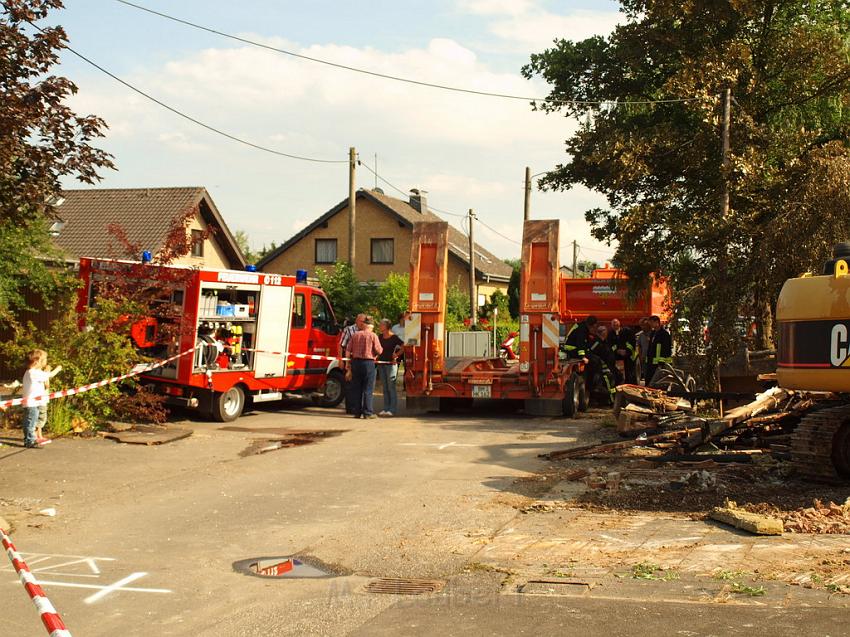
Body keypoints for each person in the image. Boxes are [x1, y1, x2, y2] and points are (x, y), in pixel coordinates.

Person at [21, 350, 62, 448]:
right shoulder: (33, 373)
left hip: (34, 403)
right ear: (37, 361)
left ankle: (30, 439)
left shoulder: (33, 372)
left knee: (32, 421)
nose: (45, 361)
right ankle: (29, 440)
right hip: (32, 404)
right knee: (31, 422)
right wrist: (58, 369)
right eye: (44, 360)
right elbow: (49, 375)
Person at [345, 316, 383, 418]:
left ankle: (357, 412)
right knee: (368, 389)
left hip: (356, 363)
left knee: (357, 388)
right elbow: (379, 350)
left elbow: (348, 350)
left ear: (364, 325)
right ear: (371, 326)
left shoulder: (355, 335)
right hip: (368, 363)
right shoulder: (373, 335)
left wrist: (348, 364)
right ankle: (367, 412)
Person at [339, 313, 366, 414]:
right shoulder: (349, 330)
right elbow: (341, 345)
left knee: (359, 385)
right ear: (357, 321)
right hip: (349, 360)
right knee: (349, 384)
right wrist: (341, 360)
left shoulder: (366, 331)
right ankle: (350, 408)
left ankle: (358, 407)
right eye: (361, 321)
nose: (363, 324)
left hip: (361, 361)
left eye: (364, 322)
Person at [377, 319, 403, 416]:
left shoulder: (394, 337)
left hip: (391, 365)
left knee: (391, 386)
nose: (380, 326)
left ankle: (392, 409)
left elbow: (403, 345)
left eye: (381, 324)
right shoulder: (379, 337)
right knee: (384, 387)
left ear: (387, 326)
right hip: (381, 364)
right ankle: (385, 408)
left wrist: (396, 355)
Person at [645, 315, 673, 386]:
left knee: (657, 383)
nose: (650, 324)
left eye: (651, 322)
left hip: (659, 364)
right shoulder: (653, 333)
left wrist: (661, 363)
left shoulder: (664, 334)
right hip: (651, 362)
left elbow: (666, 350)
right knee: (649, 380)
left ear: (657, 322)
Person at [609, 318, 638, 385]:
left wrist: (626, 351)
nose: (615, 326)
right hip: (617, 358)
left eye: (616, 324)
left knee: (630, 375)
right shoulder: (610, 334)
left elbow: (631, 343)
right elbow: (610, 345)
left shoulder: (627, 331)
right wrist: (617, 351)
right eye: (613, 325)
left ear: (619, 324)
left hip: (629, 357)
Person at [636, 317, 652, 384]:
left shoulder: (653, 334)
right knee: (646, 375)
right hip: (644, 358)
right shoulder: (641, 335)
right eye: (641, 325)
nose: (642, 327)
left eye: (644, 325)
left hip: (652, 359)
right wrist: (640, 356)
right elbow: (639, 346)